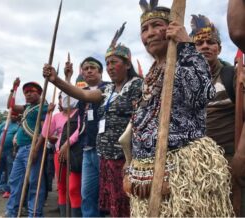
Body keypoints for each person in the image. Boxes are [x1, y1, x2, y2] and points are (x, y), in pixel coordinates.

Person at [120, 2, 234, 217]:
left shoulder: (188, 60)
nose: (150, 33)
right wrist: (130, 164)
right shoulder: (151, 75)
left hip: (182, 171)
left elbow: (201, 94)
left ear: (172, 28)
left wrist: (186, 45)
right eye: (145, 29)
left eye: (156, 26)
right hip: (145, 169)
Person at [43, 23, 143, 217]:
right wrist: (57, 80)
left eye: (115, 62)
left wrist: (133, 157)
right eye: (108, 64)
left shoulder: (138, 85)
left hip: (124, 157)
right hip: (101, 155)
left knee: (124, 202)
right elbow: (83, 94)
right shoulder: (107, 90)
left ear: (128, 64)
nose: (111, 67)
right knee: (91, 196)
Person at [190, 14, 245, 216]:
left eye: (210, 42)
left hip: (229, 161)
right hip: (196, 165)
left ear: (219, 48)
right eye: (199, 43)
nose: (205, 46)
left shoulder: (232, 75)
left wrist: (240, 157)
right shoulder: (187, 82)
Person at [5, 79, 48, 217]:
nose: (28, 95)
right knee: (14, 180)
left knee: (35, 183)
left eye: (31, 92)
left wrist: (36, 149)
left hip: (32, 147)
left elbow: (44, 131)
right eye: (26, 92)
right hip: (21, 149)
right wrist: (14, 88)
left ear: (39, 93)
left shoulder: (44, 107)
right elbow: (10, 106)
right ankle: (12, 212)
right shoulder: (27, 107)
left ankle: (34, 214)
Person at [73, 57, 108, 217]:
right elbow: (67, 104)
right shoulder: (81, 92)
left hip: (105, 150)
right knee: (87, 195)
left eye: (92, 67)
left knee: (109, 193)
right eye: (85, 68)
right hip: (87, 149)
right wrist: (67, 77)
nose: (88, 70)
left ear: (100, 71)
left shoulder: (109, 88)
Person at [0, 111, 20, 198]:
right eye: (12, 114)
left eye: (15, 115)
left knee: (10, 171)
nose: (13, 116)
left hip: (10, 151)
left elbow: (17, 139)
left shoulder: (18, 126)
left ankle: (8, 191)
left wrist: (15, 150)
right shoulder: (4, 124)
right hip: (0, 150)